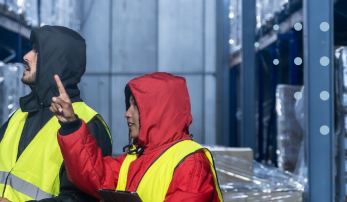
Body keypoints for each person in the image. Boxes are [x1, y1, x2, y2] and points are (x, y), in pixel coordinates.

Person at [0, 26, 113, 202]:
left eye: (36, 52)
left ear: (55, 62)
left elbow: (78, 199)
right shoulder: (21, 115)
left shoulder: (87, 124)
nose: (26, 56)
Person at [50, 72, 224, 202]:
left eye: (135, 106)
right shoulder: (135, 159)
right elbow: (95, 175)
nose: (127, 114)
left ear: (158, 112)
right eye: (129, 105)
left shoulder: (191, 162)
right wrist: (71, 125)